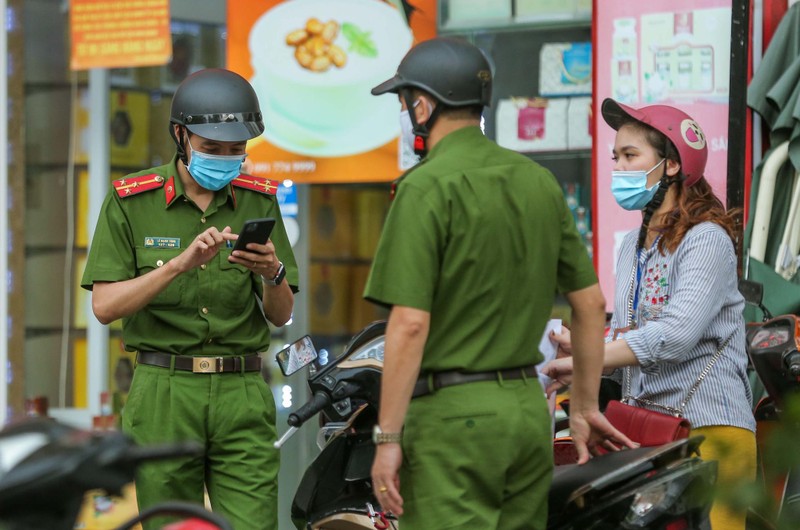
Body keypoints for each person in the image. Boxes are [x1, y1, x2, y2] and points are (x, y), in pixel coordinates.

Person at [364, 37, 634, 530]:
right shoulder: (538, 181)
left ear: (422, 105)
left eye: (404, 104)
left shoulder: (424, 187)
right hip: (526, 415)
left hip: (452, 421)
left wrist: (387, 438)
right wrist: (586, 407)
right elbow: (591, 305)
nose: (405, 114)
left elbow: (408, 325)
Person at [81, 68, 298, 530]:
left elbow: (281, 314)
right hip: (164, 390)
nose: (226, 159)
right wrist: (178, 265)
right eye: (212, 148)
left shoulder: (258, 200)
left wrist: (273, 273)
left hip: (241, 388)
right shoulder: (130, 200)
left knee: (255, 523)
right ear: (181, 136)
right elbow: (104, 307)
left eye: (236, 150)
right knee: (171, 524)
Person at [542, 98, 757, 530]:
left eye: (630, 156)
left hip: (709, 427)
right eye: (615, 157)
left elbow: (676, 334)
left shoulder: (706, 240)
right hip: (647, 432)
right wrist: (583, 353)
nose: (618, 168)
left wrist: (589, 357)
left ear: (672, 165)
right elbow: (632, 332)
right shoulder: (631, 247)